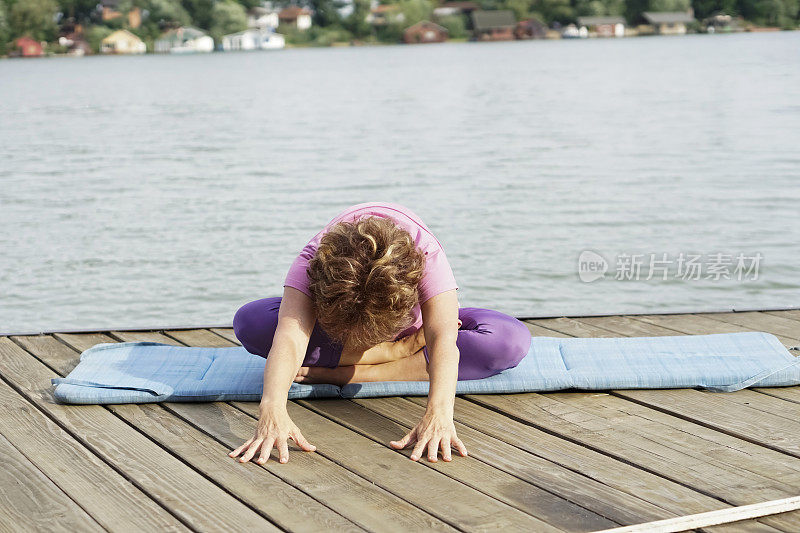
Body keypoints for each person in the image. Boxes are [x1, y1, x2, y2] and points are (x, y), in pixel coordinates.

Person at [228, 202, 532, 465]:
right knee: (251, 322)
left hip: (407, 331)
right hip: (349, 334)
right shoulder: (314, 259)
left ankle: (341, 373)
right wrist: (272, 408)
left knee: (508, 340)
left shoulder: (425, 253)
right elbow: (292, 336)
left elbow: (441, 338)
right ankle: (389, 356)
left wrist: (440, 413)